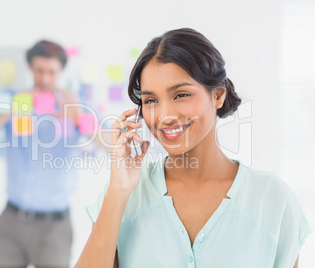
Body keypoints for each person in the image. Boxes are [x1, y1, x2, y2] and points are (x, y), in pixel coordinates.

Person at [75, 28, 314, 268]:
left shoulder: (272, 198)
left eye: (180, 95)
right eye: (151, 101)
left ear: (218, 95)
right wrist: (118, 190)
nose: (165, 116)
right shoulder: (126, 194)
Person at [0, 40, 107, 268]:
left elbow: (109, 142)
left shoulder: (75, 103)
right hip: (11, 222)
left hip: (54, 227)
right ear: (30, 68)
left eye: (51, 71)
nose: (45, 78)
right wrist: (12, 109)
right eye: (39, 70)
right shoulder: (11, 98)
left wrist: (77, 118)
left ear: (61, 71)